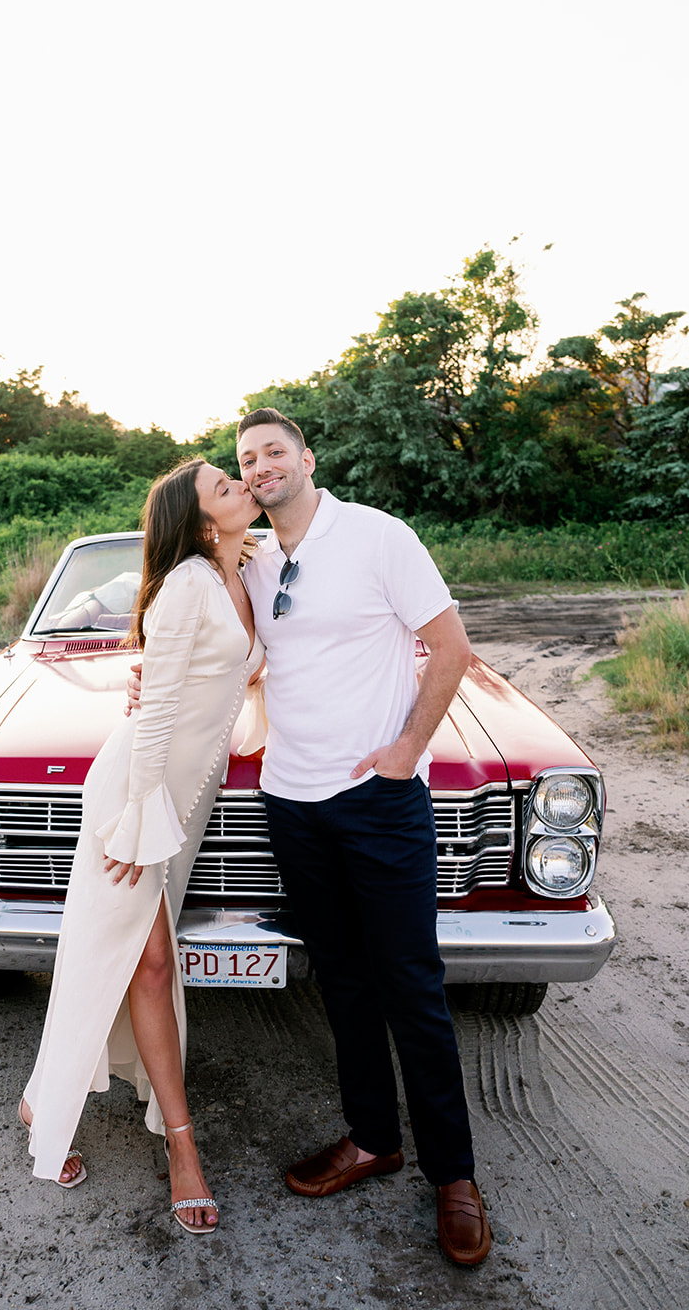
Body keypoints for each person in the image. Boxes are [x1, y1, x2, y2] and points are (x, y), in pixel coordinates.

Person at [234, 407, 491, 1267]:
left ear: (306, 458)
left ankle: (452, 1177)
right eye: (247, 459)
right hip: (290, 800)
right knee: (340, 981)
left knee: (409, 984)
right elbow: (240, 660)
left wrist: (406, 750)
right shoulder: (259, 560)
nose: (262, 465)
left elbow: (448, 647)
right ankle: (371, 1138)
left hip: (376, 800)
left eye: (275, 451)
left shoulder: (379, 536)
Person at [21, 456, 264, 1236]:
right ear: (197, 523)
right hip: (138, 794)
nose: (242, 487)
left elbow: (239, 682)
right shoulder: (188, 584)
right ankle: (182, 1150)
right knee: (138, 961)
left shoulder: (247, 570)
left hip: (183, 801)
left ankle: (38, 1095)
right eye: (224, 487)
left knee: (116, 956)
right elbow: (154, 715)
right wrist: (134, 814)